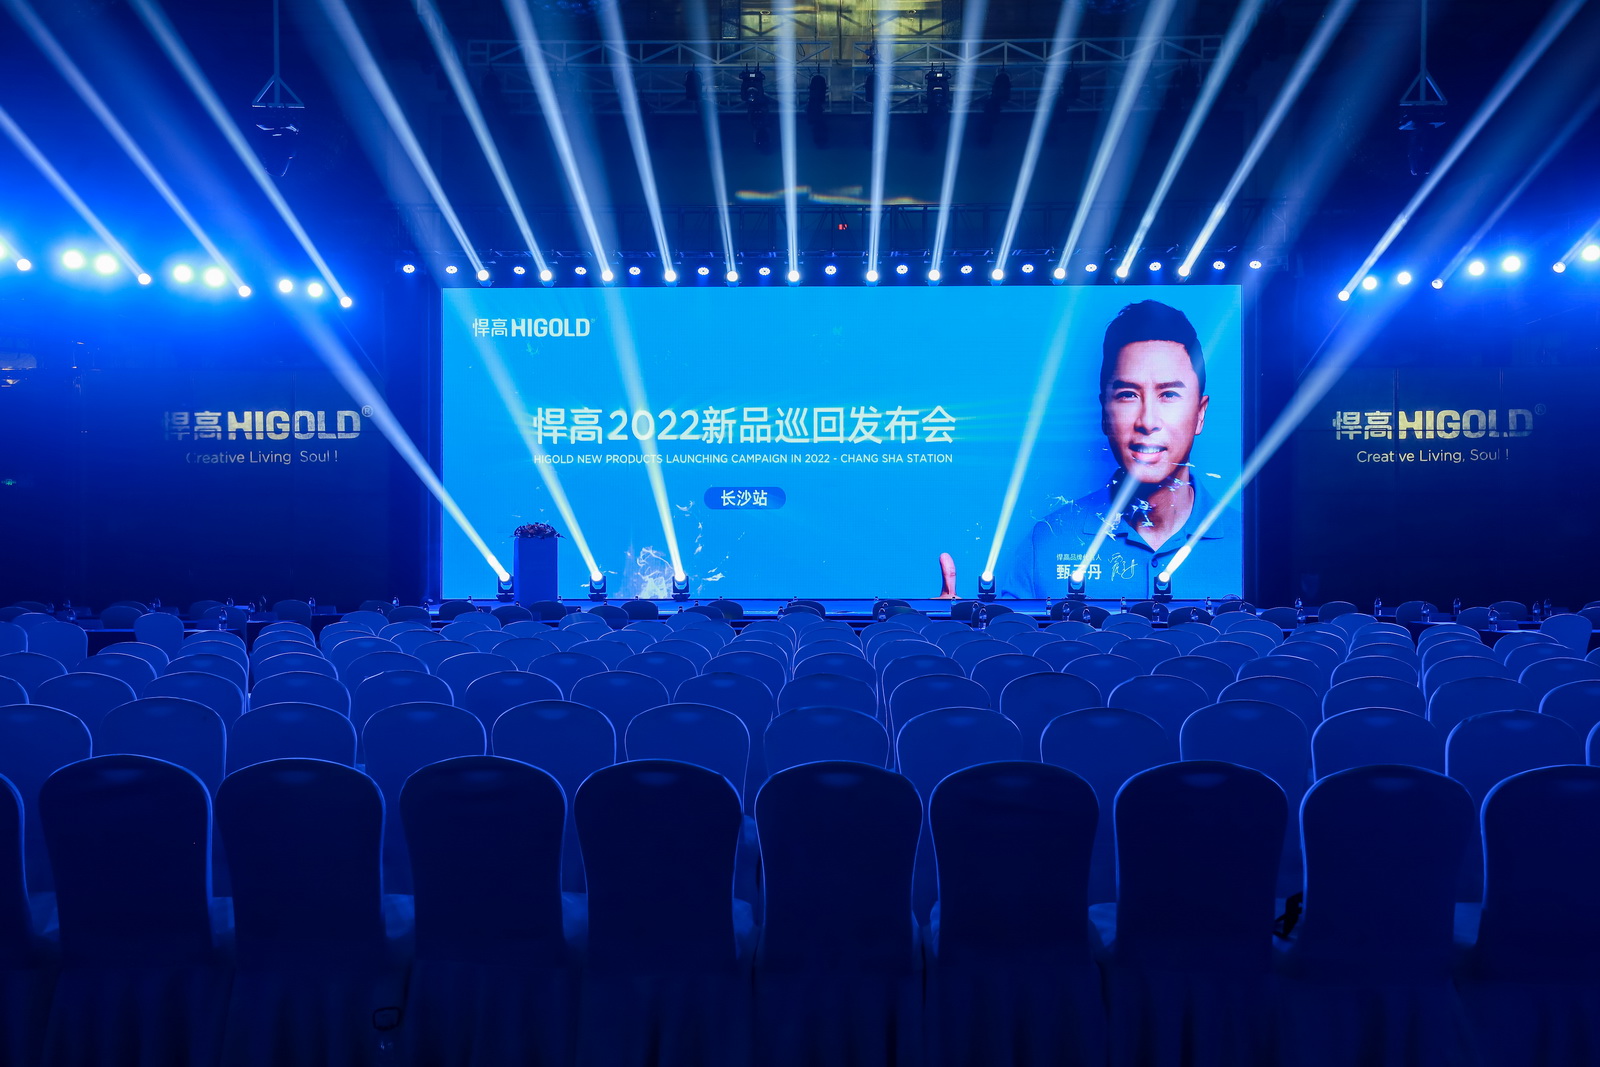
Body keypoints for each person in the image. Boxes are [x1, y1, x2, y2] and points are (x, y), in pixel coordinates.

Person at [997, 299, 1239, 599]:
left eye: (1168, 395)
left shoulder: (1249, 547)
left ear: (1200, 413)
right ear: (1104, 412)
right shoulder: (1049, 541)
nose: (1147, 421)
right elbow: (1009, 629)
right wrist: (952, 619)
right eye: (1128, 395)